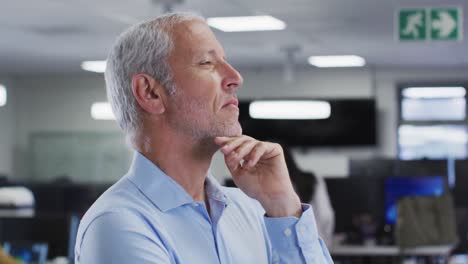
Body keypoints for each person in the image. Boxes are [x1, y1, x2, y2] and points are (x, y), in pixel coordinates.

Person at [74, 12, 333, 263]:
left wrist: (284, 208)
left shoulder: (251, 209)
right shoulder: (118, 224)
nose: (235, 78)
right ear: (151, 93)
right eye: (207, 63)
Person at [282, 146, 335, 248]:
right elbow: (326, 215)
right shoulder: (312, 179)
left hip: (283, 246)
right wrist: (326, 244)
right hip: (313, 242)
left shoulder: (262, 186)